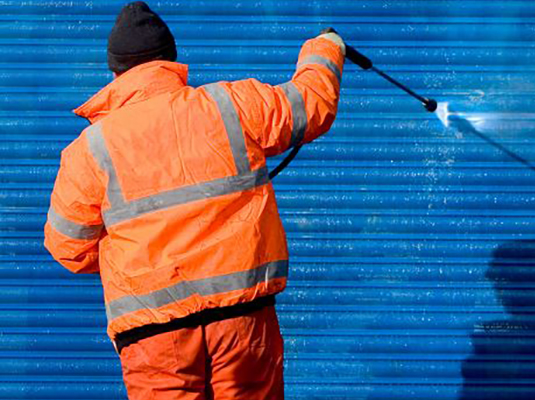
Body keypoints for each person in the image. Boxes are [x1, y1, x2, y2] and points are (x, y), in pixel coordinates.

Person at [42, 2, 344, 399]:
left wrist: (141, 255)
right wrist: (325, 48)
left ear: (115, 72)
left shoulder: (89, 150)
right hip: (243, 326)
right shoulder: (231, 107)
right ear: (171, 60)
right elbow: (310, 105)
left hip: (153, 338)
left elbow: (69, 249)